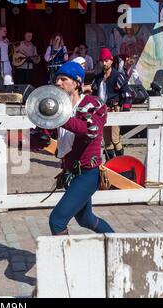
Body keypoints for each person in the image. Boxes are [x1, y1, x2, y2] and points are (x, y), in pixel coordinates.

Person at [47, 61, 114, 235]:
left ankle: (66, 262)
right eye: (57, 79)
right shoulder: (57, 107)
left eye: (63, 79)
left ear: (77, 83)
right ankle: (117, 245)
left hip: (87, 174)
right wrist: (12, 138)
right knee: (86, 219)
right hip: (69, 173)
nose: (58, 83)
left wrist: (61, 118)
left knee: (57, 221)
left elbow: (91, 130)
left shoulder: (93, 103)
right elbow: (41, 137)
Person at [91, 48, 134, 159]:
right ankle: (111, 164)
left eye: (106, 60)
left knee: (115, 139)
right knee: (107, 140)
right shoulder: (97, 78)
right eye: (102, 61)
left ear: (111, 61)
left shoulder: (118, 76)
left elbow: (127, 93)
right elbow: (95, 96)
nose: (104, 63)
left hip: (115, 109)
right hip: (102, 111)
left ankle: (121, 161)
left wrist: (125, 111)